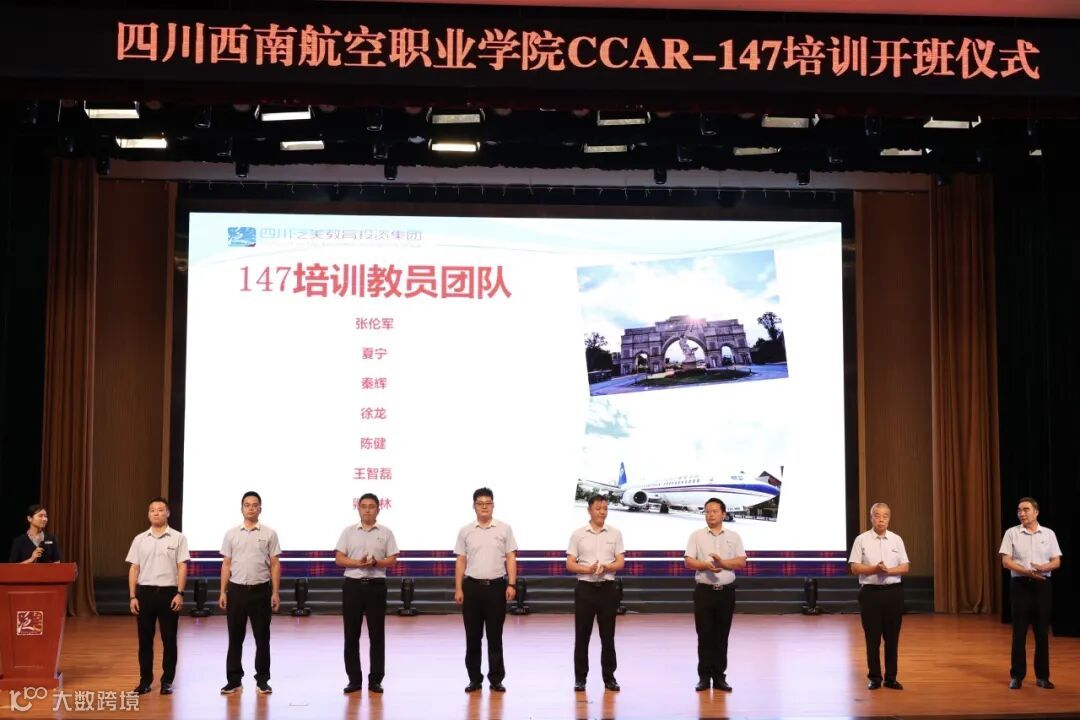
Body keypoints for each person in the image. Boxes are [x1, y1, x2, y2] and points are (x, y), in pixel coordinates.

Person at [454, 487, 517, 693]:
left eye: (488, 503)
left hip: (496, 588)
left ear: (493, 505)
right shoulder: (465, 530)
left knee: (495, 636)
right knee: (473, 637)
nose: (484, 507)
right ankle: (474, 679)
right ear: (474, 506)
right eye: (480, 503)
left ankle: (496, 679)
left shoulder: (504, 529)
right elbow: (461, 560)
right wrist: (458, 588)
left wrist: (512, 584)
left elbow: (511, 557)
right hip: (472, 588)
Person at [335, 493, 399, 695]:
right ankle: (354, 680)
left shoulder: (386, 532)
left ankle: (375, 680)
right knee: (351, 634)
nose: (367, 510)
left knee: (376, 635)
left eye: (371, 506)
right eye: (363, 506)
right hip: (352, 586)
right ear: (358, 509)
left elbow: (392, 560)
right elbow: (339, 558)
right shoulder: (348, 532)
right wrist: (358, 563)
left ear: (378, 509)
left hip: (376, 586)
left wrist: (377, 563)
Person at [218, 491, 281, 695]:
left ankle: (262, 680)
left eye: (255, 505)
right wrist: (223, 591)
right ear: (242, 508)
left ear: (260, 508)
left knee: (262, 638)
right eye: (247, 505)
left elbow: (275, 564)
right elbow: (226, 564)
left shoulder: (269, 533)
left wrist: (275, 592)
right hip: (236, 591)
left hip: (261, 591)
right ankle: (234, 680)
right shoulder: (231, 534)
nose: (251, 508)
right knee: (235, 638)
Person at [125, 497, 190, 696]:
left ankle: (167, 681)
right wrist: (133, 596)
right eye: (152, 510)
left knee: (169, 640)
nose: (156, 513)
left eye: (161, 509)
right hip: (145, 594)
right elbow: (134, 568)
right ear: (148, 514)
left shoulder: (178, 538)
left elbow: (182, 566)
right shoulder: (140, 539)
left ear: (168, 513)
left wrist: (179, 593)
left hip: (169, 594)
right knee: (145, 641)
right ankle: (145, 681)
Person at [999, 496, 1062, 690]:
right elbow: (1006, 561)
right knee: (1019, 632)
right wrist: (1026, 571)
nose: (1021, 513)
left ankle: (1042, 677)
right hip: (1020, 585)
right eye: (1019, 510)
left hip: (1042, 585)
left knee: (1042, 632)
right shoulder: (1012, 533)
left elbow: (1057, 561)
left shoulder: (1048, 534)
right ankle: (1016, 676)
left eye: (1025, 509)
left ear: (1036, 512)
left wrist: (1044, 567)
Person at [684, 498, 745, 692]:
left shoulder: (734, 536)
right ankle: (704, 678)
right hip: (704, 592)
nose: (710, 514)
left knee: (721, 637)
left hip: (726, 593)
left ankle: (719, 677)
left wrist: (723, 563)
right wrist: (705, 565)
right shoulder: (696, 536)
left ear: (723, 514)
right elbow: (688, 561)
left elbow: (741, 562)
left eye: (714, 511)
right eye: (707, 511)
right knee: (704, 636)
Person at [566, 494, 625, 692]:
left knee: (608, 637)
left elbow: (620, 562)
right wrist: (587, 569)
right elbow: (570, 564)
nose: (602, 512)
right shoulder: (578, 534)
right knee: (582, 636)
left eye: (605, 508)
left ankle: (609, 678)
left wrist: (607, 567)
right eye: (598, 508)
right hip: (585, 590)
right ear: (589, 510)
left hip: (607, 589)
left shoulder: (615, 533)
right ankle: (580, 679)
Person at [848, 502, 909, 690]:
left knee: (892, 638)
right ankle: (874, 677)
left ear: (889, 518)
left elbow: (905, 566)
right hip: (870, 594)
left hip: (893, 593)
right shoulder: (861, 539)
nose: (881, 519)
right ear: (871, 518)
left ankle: (891, 678)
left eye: (885, 516)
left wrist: (888, 571)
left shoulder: (896, 539)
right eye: (877, 515)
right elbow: (854, 567)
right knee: (872, 638)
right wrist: (875, 569)